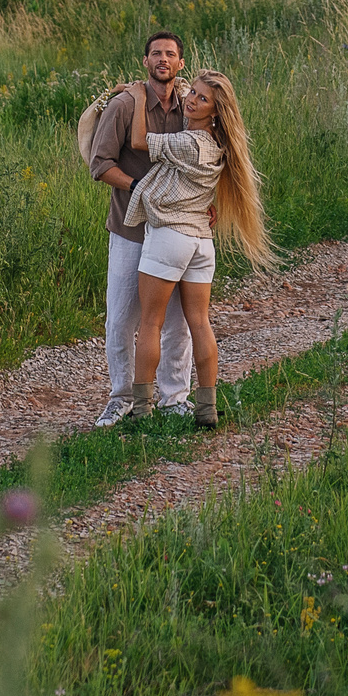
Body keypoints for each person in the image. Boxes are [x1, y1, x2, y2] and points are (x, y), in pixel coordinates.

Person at [121, 69, 274, 428]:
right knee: (200, 323)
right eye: (192, 92)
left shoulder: (189, 144)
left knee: (151, 322)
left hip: (171, 237)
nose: (191, 100)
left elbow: (139, 140)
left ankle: (141, 409)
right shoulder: (218, 146)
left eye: (202, 99)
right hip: (202, 243)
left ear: (215, 111)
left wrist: (140, 96)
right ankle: (207, 408)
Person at [87, 32, 194, 425]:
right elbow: (100, 165)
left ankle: (174, 398)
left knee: (179, 320)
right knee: (121, 319)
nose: (163, 59)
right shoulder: (123, 106)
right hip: (130, 227)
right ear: (145, 62)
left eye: (170, 54)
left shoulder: (190, 107)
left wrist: (207, 202)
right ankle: (121, 398)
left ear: (180, 63)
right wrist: (140, 189)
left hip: (178, 228)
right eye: (156, 53)